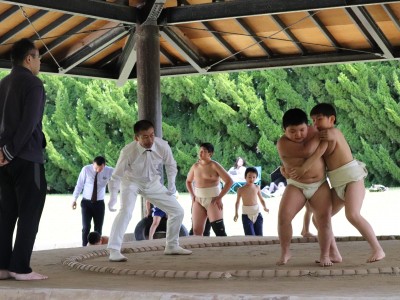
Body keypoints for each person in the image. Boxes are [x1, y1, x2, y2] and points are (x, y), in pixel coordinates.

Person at [290, 103, 385, 262]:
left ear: (331, 119)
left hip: (352, 179)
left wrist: (303, 168)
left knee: (352, 214)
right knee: (318, 218)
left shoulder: (332, 132)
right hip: (338, 183)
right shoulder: (321, 135)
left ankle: (378, 249)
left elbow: (318, 151)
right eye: (313, 120)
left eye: (319, 119)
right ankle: (334, 253)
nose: (315, 124)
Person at [107, 120, 192, 261]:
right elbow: (116, 176)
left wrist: (172, 184)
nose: (150, 139)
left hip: (153, 183)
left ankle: (171, 245)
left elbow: (171, 165)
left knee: (177, 211)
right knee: (126, 212)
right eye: (145, 137)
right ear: (136, 138)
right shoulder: (128, 151)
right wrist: (113, 197)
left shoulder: (162, 145)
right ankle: (114, 249)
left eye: (152, 135)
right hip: (131, 182)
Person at [0, 38, 48, 281]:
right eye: (38, 57)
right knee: (30, 212)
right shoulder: (33, 84)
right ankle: (20, 267)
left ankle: (2, 266)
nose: (40, 62)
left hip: (2, 161)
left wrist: (2, 152)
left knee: (6, 213)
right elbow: (29, 124)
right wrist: (10, 151)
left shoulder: (3, 83)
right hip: (26, 157)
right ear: (29, 58)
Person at [276, 108, 341, 267]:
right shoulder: (283, 143)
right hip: (296, 185)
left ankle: (325, 255)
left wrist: (320, 135)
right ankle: (286, 252)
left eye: (302, 130)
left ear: (308, 126)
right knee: (284, 217)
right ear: (284, 130)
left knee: (324, 219)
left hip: (319, 184)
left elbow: (330, 134)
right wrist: (319, 138)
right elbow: (306, 151)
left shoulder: (316, 130)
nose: (298, 135)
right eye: (292, 131)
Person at [186, 143, 233, 236]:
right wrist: (192, 196)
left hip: (213, 200)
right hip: (198, 200)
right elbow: (188, 181)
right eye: (200, 151)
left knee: (219, 231)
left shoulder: (214, 165)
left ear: (210, 154)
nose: (200, 153)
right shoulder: (195, 166)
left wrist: (219, 197)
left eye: (203, 151)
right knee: (196, 231)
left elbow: (229, 181)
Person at [72, 156, 114, 246]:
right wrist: (74, 199)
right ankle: (84, 246)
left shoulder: (109, 171)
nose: (97, 170)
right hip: (86, 203)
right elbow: (79, 185)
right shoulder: (86, 169)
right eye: (95, 168)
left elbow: (121, 174)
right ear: (93, 164)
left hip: (99, 203)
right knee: (86, 227)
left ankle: (97, 248)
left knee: (98, 228)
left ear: (104, 165)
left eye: (100, 169)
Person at [234, 167, 269, 236]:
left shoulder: (257, 187)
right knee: (250, 237)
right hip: (246, 215)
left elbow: (261, 199)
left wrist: (265, 207)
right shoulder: (240, 190)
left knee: (259, 236)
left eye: (254, 177)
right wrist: (236, 213)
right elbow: (237, 202)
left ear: (256, 178)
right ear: (245, 177)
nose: (251, 179)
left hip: (257, 214)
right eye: (249, 177)